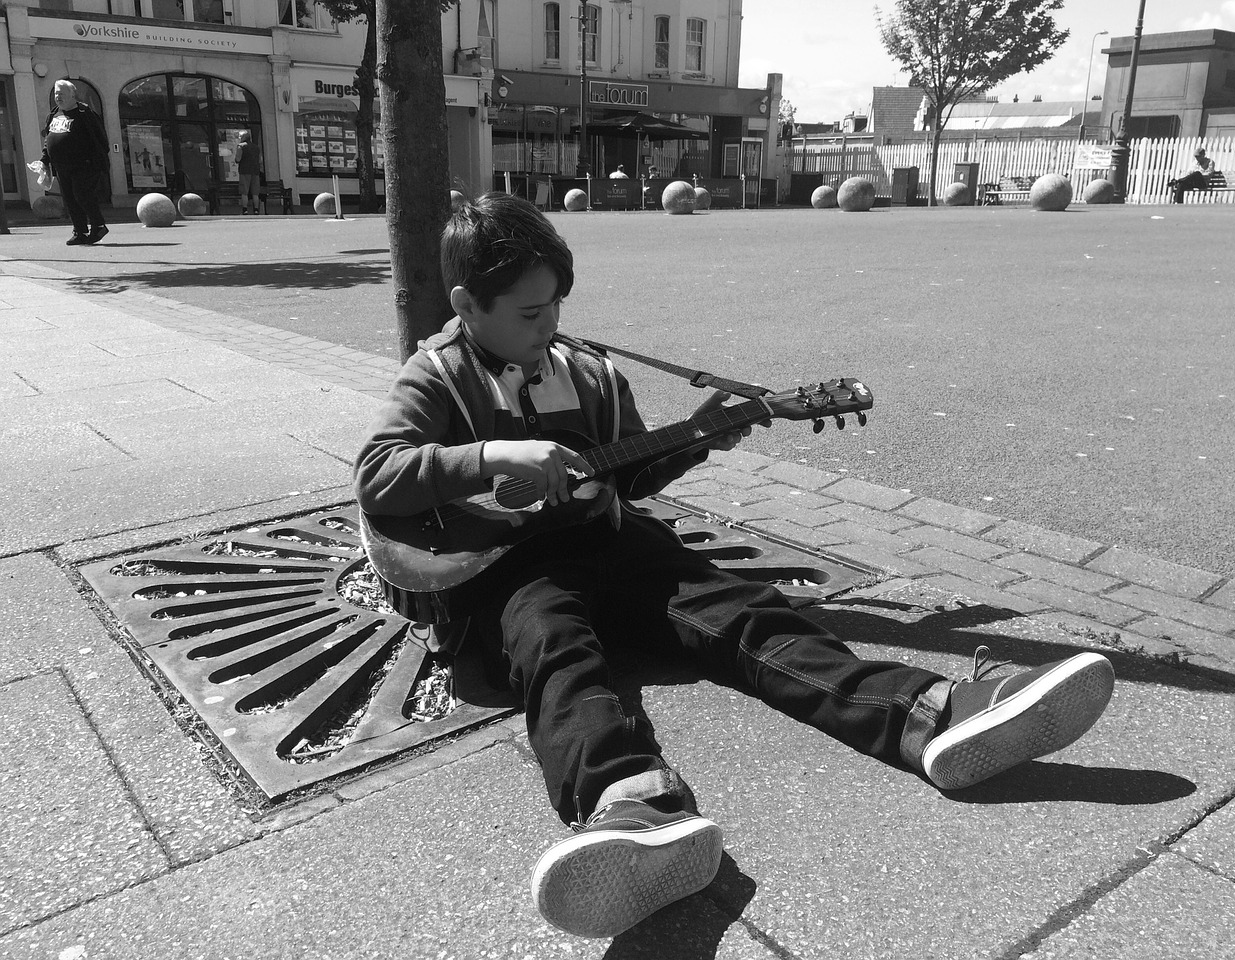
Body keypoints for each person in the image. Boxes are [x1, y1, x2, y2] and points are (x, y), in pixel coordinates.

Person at [353, 193, 1116, 940]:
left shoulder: (584, 370)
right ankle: (629, 802)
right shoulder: (438, 375)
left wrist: (701, 436)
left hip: (610, 544)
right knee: (555, 651)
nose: (551, 326)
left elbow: (627, 476)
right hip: (512, 567)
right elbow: (378, 473)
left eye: (556, 306)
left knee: (743, 614)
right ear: (466, 303)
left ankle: (933, 713)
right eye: (529, 313)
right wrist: (489, 455)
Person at [39, 79, 110, 246]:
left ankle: (98, 226)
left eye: (62, 94)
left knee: (82, 195)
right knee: (70, 199)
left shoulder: (84, 113)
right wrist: (44, 159)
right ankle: (80, 231)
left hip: (84, 165)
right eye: (56, 94)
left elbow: (100, 139)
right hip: (62, 166)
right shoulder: (54, 114)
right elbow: (48, 139)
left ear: (72, 95)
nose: (58, 97)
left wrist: (94, 160)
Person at [234, 130, 261, 215]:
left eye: (240, 137)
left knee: (244, 192)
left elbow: (238, 159)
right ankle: (256, 210)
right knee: (255, 192)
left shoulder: (241, 146)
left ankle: (245, 210)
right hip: (255, 171)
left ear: (243, 137)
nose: (239, 138)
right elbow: (259, 160)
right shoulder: (256, 147)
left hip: (244, 171)